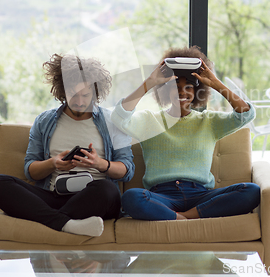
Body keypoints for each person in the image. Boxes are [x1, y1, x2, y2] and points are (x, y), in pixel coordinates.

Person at [0, 54, 134, 237]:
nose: (80, 102)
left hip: (93, 198)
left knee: (108, 190)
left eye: (85, 95)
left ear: (95, 92)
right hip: (53, 197)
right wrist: (53, 163)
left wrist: (100, 164)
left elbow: (127, 170)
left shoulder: (111, 122)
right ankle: (67, 224)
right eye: (73, 95)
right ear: (62, 91)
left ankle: (51, 221)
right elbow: (30, 170)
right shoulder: (44, 121)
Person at [111, 46, 260, 221]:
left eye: (188, 86)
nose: (182, 91)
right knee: (131, 197)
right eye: (175, 86)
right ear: (166, 90)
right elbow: (119, 117)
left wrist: (216, 83)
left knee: (251, 191)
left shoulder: (209, 121)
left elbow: (246, 114)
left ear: (197, 91)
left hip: (200, 196)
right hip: (162, 196)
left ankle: (181, 217)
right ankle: (187, 218)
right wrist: (149, 83)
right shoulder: (150, 121)